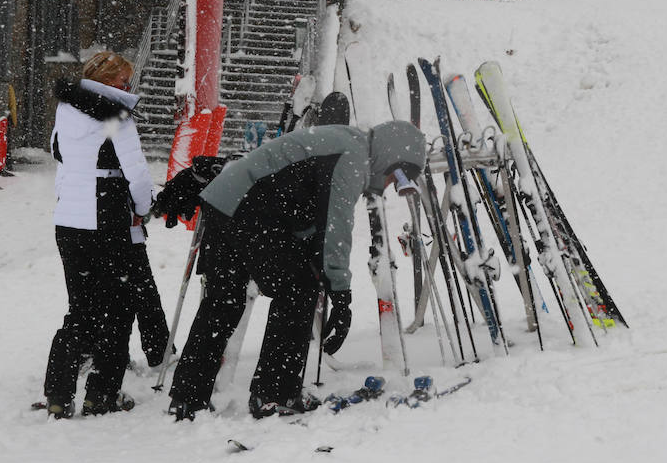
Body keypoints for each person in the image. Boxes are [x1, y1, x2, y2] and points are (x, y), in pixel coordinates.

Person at [162, 121, 427, 420]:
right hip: (250, 210)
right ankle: (274, 394)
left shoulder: (346, 142)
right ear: (391, 155)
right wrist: (341, 294)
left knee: (224, 302)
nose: (391, 182)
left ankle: (187, 397)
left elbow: (301, 201)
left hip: (225, 201)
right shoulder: (352, 155)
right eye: (397, 174)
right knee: (298, 289)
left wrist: (317, 261)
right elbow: (335, 228)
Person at [42, 52, 154, 419]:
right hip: (106, 218)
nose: (128, 88)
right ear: (108, 80)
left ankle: (58, 394)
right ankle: (101, 394)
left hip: (68, 222)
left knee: (80, 310)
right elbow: (136, 173)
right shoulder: (114, 114)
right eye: (124, 81)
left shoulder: (66, 110)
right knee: (117, 310)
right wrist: (142, 207)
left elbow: (59, 155)